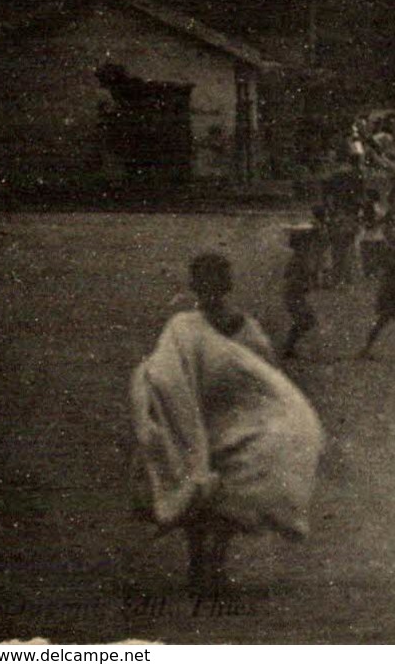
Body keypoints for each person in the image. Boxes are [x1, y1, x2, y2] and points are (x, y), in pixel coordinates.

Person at [130, 253, 323, 598]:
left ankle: (208, 565)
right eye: (207, 283)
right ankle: (206, 566)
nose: (210, 291)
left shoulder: (212, 326)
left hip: (222, 418)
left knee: (215, 492)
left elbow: (261, 372)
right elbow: (168, 372)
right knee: (210, 491)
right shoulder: (194, 326)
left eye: (212, 283)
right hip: (207, 416)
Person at [279, 229, 317, 359]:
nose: (309, 246)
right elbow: (291, 278)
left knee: (306, 320)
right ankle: (287, 348)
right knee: (306, 320)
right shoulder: (298, 260)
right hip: (293, 295)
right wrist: (303, 285)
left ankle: (288, 347)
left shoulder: (299, 259)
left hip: (295, 295)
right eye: (307, 244)